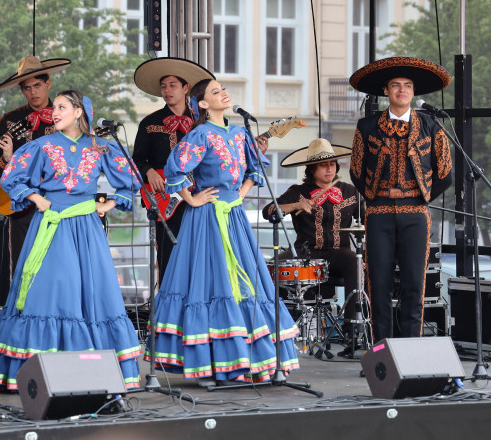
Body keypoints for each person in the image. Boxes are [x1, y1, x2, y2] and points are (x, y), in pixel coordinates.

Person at [0, 90, 142, 392]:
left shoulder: (101, 148)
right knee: (53, 290)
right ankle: (39, 374)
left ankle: (91, 375)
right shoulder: (41, 146)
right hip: (52, 226)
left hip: (86, 229)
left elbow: (132, 181)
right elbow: (11, 177)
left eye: (61, 107)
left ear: (79, 112)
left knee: (91, 294)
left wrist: (107, 204)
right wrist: (36, 198)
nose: (54, 112)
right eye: (54, 107)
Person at [148, 79, 299, 384]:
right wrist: (192, 197)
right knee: (210, 283)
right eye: (215, 92)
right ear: (202, 104)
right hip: (206, 217)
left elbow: (256, 169)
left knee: (247, 281)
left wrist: (240, 195)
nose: (223, 94)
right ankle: (210, 363)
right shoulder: (201, 133)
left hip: (234, 215)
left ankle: (251, 361)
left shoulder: (240, 132)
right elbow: (175, 167)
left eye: (223, 90)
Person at [348, 57, 453, 342]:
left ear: (413, 92)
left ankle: (412, 354)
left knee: (414, 286)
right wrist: (374, 197)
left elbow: (445, 173)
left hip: (416, 214)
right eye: (396, 85)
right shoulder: (367, 126)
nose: (402, 90)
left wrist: (420, 197)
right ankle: (382, 353)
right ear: (386, 91)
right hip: (378, 213)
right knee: (378, 285)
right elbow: (356, 171)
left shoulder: (432, 125)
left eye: (407, 86)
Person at [0, 56, 71, 304]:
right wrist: (6, 161)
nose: (32, 92)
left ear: (48, 83)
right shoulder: (10, 120)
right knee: (20, 265)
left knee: (57, 265)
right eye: (26, 88)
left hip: (58, 203)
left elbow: (80, 158)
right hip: (21, 206)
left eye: (37, 85)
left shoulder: (67, 115)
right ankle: (18, 324)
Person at [262, 138, 360, 353]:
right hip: (305, 253)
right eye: (323, 165)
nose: (329, 169)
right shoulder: (298, 191)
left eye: (332, 164)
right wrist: (296, 205)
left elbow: (368, 221)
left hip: (338, 254)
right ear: (312, 168)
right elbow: (268, 211)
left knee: (355, 261)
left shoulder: (351, 192)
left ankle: (352, 329)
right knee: (266, 269)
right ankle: (271, 328)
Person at [131, 57, 214, 282]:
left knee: (200, 253)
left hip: (198, 194)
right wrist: (148, 171)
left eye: (172, 85)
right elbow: (136, 159)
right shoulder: (149, 123)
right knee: (168, 253)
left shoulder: (203, 123)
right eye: (163, 86)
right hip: (165, 198)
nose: (167, 90)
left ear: (186, 88)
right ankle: (167, 306)